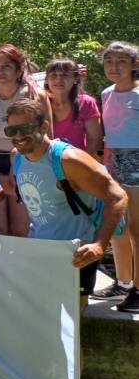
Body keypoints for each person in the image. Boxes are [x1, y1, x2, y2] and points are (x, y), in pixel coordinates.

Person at [7, 98, 128, 311]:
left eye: (25, 128)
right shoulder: (17, 158)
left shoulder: (68, 159)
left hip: (77, 255)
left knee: (72, 324)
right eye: (11, 130)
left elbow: (117, 197)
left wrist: (100, 245)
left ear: (44, 126)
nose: (17, 136)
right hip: (41, 250)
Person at [0, 43, 52, 236]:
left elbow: (48, 137)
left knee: (21, 226)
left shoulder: (36, 96)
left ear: (18, 70)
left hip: (26, 164)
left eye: (6, 66)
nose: (0, 71)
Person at [96, 41, 139, 312]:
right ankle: (123, 283)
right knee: (118, 225)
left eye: (121, 61)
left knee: (137, 228)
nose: (114, 66)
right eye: (110, 61)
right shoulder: (106, 93)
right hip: (114, 162)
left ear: (134, 65)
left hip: (137, 161)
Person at [46, 58, 101, 158]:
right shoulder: (40, 103)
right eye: (54, 75)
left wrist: (78, 161)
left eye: (65, 75)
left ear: (75, 79)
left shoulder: (86, 103)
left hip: (78, 164)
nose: (58, 79)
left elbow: (94, 140)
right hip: (46, 163)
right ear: (46, 79)